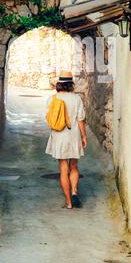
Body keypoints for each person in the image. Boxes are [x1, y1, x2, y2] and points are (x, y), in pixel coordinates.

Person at [45, 71, 87, 209]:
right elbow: (80, 120)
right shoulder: (76, 99)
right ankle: (74, 191)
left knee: (63, 169)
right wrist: (84, 136)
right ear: (71, 84)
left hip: (59, 136)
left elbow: (49, 119)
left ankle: (69, 203)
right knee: (74, 166)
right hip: (74, 135)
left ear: (59, 84)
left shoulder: (52, 99)